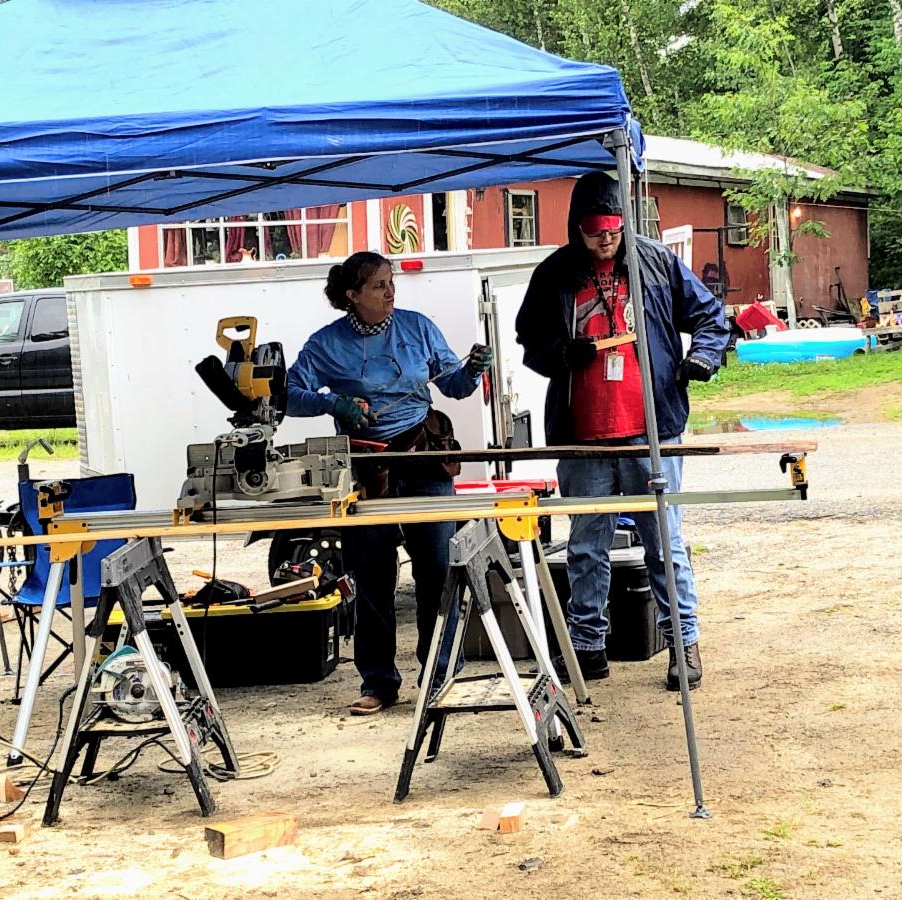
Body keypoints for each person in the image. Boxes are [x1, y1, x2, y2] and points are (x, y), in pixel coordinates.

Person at [515, 171, 729, 691]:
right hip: (582, 435)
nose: (605, 240)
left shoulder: (656, 263)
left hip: (652, 430)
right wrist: (561, 355)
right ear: (577, 228)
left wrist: (703, 357)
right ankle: (588, 646)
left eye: (612, 230)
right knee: (586, 546)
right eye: (595, 233)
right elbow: (530, 340)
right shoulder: (555, 273)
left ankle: (683, 642)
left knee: (664, 543)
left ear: (624, 224)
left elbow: (711, 316)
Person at [286, 251, 493, 715]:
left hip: (423, 456)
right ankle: (378, 682)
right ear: (352, 294)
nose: (390, 291)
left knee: (437, 570)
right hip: (366, 468)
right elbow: (290, 396)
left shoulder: (418, 327)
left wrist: (474, 369)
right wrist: (333, 404)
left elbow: (455, 386)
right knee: (372, 575)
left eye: (391, 281)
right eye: (379, 285)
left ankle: (440, 673)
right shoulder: (326, 343)